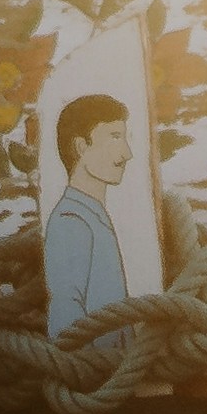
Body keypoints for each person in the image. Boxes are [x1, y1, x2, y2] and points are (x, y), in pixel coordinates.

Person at [41, 93, 136, 330]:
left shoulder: (91, 215)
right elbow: (65, 313)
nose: (127, 153)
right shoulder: (71, 221)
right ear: (81, 147)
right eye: (115, 137)